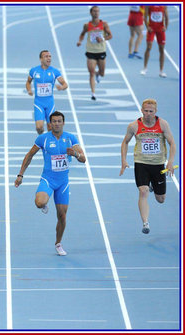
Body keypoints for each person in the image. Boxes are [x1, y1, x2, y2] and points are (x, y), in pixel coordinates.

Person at [14, 111, 85, 256]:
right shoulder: (43, 139)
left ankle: (58, 243)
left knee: (62, 216)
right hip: (48, 180)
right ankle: (45, 203)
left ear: (63, 123)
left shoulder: (70, 138)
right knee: (39, 203)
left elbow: (83, 158)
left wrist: (75, 154)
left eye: (59, 121)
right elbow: (29, 155)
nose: (57, 124)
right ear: (50, 123)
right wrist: (20, 175)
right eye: (54, 121)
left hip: (63, 183)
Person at [119, 98, 176, 235]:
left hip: (158, 164)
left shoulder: (163, 124)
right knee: (143, 191)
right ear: (142, 110)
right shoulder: (134, 126)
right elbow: (125, 142)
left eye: (151, 111)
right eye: (146, 111)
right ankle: (145, 222)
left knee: (160, 199)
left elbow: (172, 143)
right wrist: (124, 160)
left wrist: (170, 162)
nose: (148, 113)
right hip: (141, 163)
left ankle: (152, 186)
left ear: (155, 111)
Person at [26, 50, 68, 135]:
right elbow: (28, 82)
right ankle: (42, 138)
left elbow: (65, 84)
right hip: (38, 103)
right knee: (39, 127)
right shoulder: (34, 71)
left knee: (50, 127)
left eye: (50, 56)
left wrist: (61, 87)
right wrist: (29, 90)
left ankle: (48, 145)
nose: (49, 58)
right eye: (46, 56)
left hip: (50, 103)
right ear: (41, 59)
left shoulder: (54, 71)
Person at [76, 6, 113, 101]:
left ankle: (98, 74)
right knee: (91, 73)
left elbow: (110, 35)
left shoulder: (104, 24)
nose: (96, 13)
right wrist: (80, 41)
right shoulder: (87, 25)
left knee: (102, 73)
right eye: (94, 11)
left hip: (101, 51)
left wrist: (103, 39)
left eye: (97, 11)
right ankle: (93, 93)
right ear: (91, 13)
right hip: (91, 51)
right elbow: (82, 34)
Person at [141, 6, 169, 78]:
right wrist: (147, 27)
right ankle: (145, 68)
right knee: (149, 47)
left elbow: (167, 16)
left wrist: (166, 26)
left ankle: (161, 71)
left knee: (161, 49)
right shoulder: (149, 5)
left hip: (160, 29)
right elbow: (145, 17)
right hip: (151, 29)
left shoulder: (164, 5)